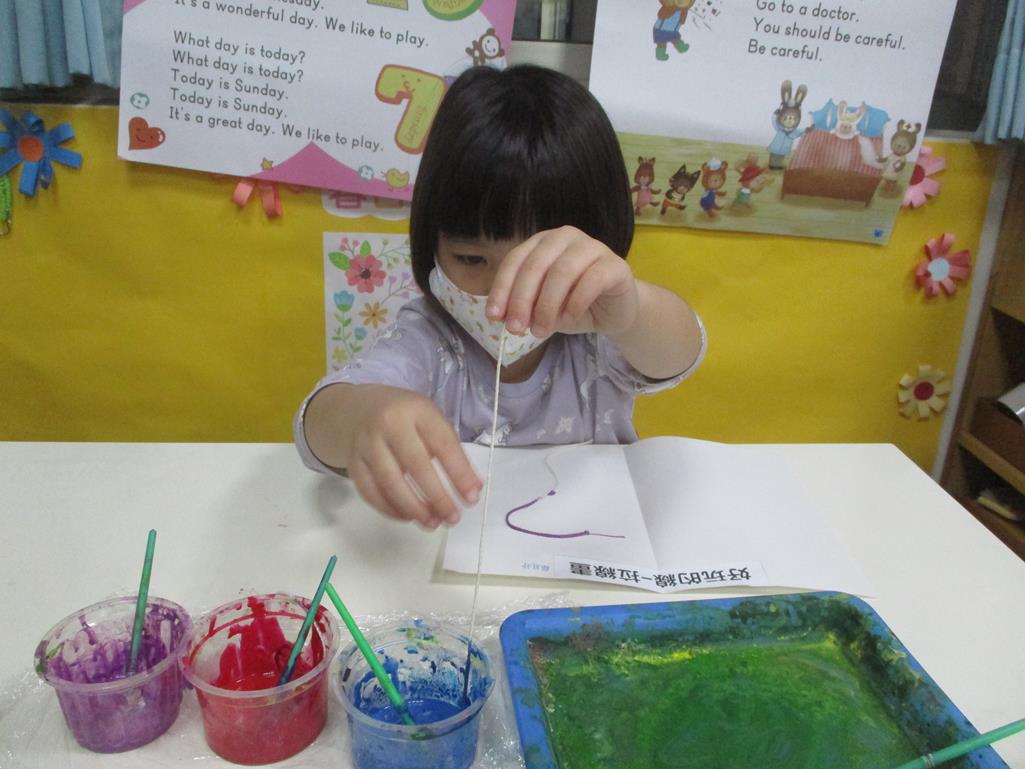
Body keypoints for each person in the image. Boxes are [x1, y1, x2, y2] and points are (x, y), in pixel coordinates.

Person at [294, 65, 706, 530]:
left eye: (543, 263)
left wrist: (631, 314)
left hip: (597, 547)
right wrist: (366, 416)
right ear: (432, 244)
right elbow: (317, 428)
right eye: (472, 259)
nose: (504, 294)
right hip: (456, 551)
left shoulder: (597, 327)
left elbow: (681, 354)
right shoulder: (430, 340)